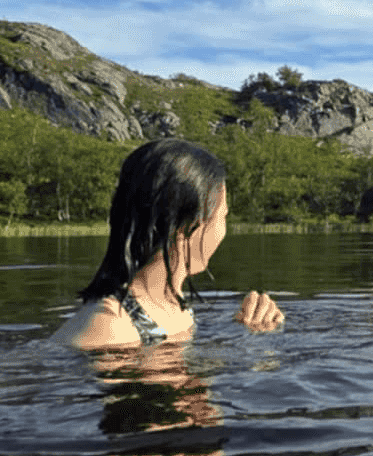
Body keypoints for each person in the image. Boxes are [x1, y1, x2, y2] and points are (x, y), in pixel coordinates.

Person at [63, 137, 283, 349]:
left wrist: (247, 330)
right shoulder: (109, 327)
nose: (223, 230)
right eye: (222, 216)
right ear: (189, 226)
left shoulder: (172, 308)